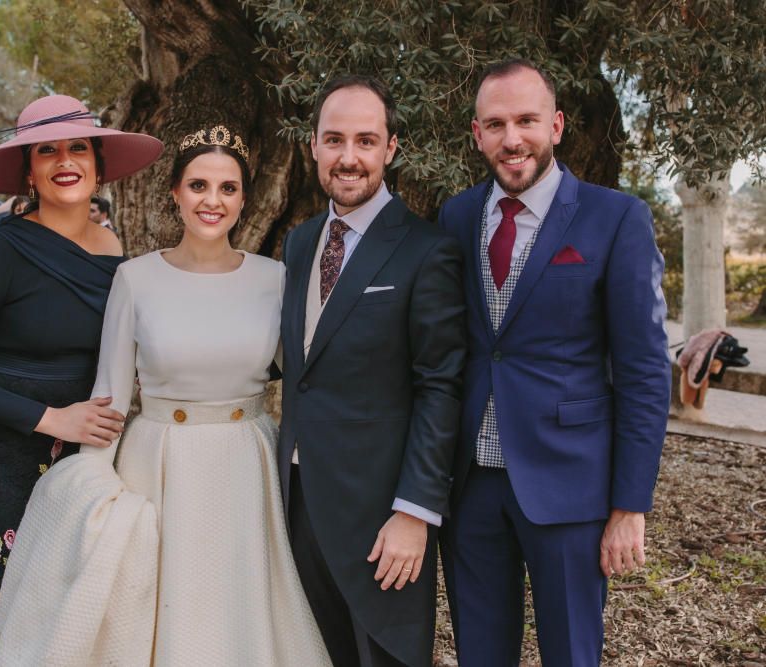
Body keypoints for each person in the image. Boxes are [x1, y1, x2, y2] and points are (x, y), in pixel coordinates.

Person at [0, 125, 330, 667]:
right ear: (175, 192)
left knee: (238, 610)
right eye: (198, 185)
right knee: (162, 607)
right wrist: (94, 493)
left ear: (244, 198)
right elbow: (110, 393)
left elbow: (311, 381)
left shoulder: (275, 279)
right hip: (156, 463)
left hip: (247, 463)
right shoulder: (135, 278)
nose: (211, 201)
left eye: (227, 188)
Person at [437, 59, 671, 665]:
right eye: (496, 124)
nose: (512, 138)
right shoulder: (456, 219)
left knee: (571, 654)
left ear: (557, 125)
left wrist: (630, 505)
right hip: (471, 488)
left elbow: (645, 372)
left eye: (526, 120)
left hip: (570, 488)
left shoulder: (615, 218)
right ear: (477, 134)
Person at [0, 94, 163, 665]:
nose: (64, 160)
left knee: (56, 613)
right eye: (46, 151)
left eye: (77, 147)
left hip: (82, 459)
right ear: (28, 171)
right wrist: (52, 418)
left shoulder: (117, 252)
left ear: (99, 163)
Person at [279, 75, 466, 667]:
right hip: (300, 494)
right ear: (313, 146)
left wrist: (415, 511)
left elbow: (440, 385)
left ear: (390, 149)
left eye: (366, 140)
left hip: (382, 513)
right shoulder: (300, 243)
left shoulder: (426, 250)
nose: (349, 157)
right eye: (334, 140)